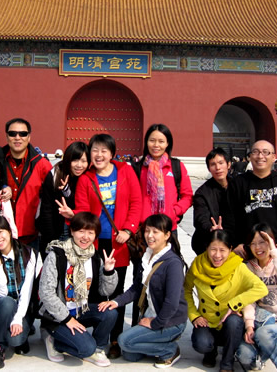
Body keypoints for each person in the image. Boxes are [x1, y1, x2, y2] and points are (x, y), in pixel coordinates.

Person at [74, 133, 142, 358]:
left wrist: (128, 229)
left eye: (104, 150)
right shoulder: (86, 178)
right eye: (95, 150)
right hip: (94, 242)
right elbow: (82, 209)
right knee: (94, 289)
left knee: (116, 290)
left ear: (112, 153)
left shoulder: (125, 171)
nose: (99, 154)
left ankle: (115, 338)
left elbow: (136, 202)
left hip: (118, 241)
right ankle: (96, 336)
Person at [99, 214, 188, 368]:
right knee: (130, 355)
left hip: (170, 321)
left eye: (155, 232)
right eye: (147, 231)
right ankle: (159, 342)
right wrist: (116, 302)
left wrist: (155, 323)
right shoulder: (147, 256)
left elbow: (172, 303)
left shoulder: (172, 263)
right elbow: (136, 288)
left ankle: (170, 350)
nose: (149, 236)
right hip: (151, 314)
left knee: (124, 341)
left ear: (167, 235)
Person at [39, 212, 118, 367]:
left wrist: (108, 271)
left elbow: (105, 292)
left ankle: (98, 349)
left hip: (82, 310)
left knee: (110, 313)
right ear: (72, 231)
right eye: (81, 231)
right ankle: (53, 339)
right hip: (58, 316)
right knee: (86, 348)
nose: (85, 237)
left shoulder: (95, 257)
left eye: (90, 233)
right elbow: (46, 292)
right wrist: (67, 319)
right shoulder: (57, 255)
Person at [184, 230, 268, 371]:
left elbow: (261, 289)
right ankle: (210, 352)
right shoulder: (197, 265)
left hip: (229, 322)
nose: (217, 255)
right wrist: (194, 315)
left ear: (230, 249)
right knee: (201, 344)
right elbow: (186, 290)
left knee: (234, 322)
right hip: (207, 320)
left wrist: (234, 304)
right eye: (213, 249)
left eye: (222, 250)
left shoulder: (238, 266)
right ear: (207, 248)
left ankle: (227, 363)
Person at [235, 224, 277, 372]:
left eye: (262, 242)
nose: (258, 247)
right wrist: (249, 325)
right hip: (260, 323)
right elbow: (249, 300)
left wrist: (274, 251)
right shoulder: (248, 267)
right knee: (244, 355)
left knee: (265, 334)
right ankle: (262, 355)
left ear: (270, 242)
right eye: (253, 243)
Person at [225, 139, 277, 258]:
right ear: (250, 156)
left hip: (276, 250)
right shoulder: (238, 183)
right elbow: (228, 216)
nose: (260, 156)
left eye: (265, 152)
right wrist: (234, 244)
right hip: (245, 252)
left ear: (274, 157)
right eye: (255, 152)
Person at [0, 216, 36, 369]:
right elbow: (2, 293)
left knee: (15, 340)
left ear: (9, 231)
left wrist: (18, 319)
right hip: (2, 304)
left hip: (23, 305)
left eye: (1, 232)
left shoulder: (28, 253)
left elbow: (27, 290)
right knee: (7, 302)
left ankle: (22, 331)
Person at [0, 118, 52, 250]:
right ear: (7, 137)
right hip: (0, 234)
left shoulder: (42, 165)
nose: (17, 138)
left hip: (30, 235)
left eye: (23, 134)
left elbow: (51, 198)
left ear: (29, 137)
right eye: (12, 133)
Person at [133, 124, 193, 234]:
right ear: (146, 142)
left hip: (167, 226)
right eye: (152, 141)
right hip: (144, 228)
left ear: (167, 143)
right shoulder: (138, 168)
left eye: (161, 141)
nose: (156, 145)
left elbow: (187, 195)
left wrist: (174, 211)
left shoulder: (176, 166)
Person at [37, 141, 90, 259]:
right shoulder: (55, 174)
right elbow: (46, 209)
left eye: (84, 161)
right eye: (75, 160)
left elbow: (79, 205)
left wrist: (67, 191)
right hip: (56, 231)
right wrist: (50, 240)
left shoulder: (87, 177)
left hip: (78, 233)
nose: (79, 165)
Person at [192, 148, 232, 255]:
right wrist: (211, 228)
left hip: (234, 241)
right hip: (209, 243)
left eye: (221, 163)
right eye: (213, 164)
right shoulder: (202, 192)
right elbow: (200, 218)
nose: (218, 168)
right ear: (209, 169)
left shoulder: (238, 186)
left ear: (228, 164)